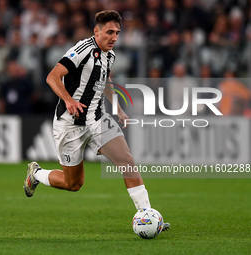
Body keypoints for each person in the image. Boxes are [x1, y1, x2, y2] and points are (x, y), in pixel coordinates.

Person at [23, 10, 170, 231]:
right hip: (69, 123)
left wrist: (118, 108)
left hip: (97, 118)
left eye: (117, 33)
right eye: (109, 32)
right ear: (96, 31)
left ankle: (146, 215)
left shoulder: (110, 55)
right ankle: (36, 174)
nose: (114, 38)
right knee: (73, 184)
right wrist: (69, 100)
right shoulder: (81, 50)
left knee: (127, 162)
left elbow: (105, 81)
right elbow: (52, 76)